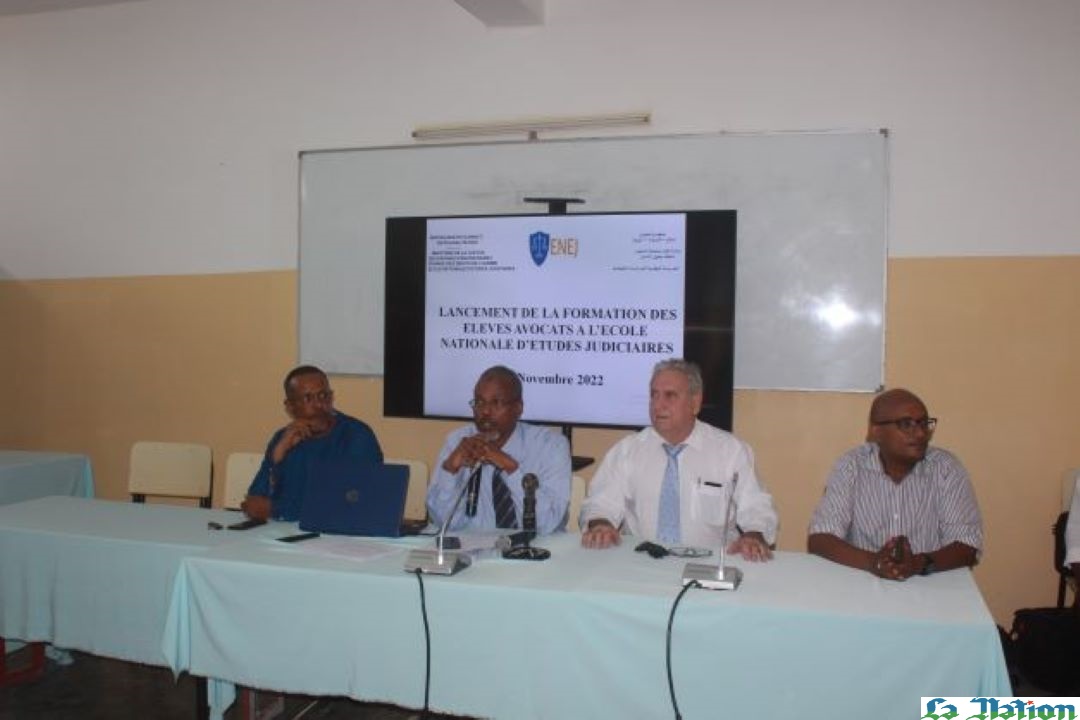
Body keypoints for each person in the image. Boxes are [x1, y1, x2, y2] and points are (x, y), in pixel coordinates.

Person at [580, 359, 777, 560]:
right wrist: (600, 524)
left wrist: (754, 535)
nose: (658, 405)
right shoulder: (626, 451)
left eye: (670, 396)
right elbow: (600, 504)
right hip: (641, 563)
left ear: (695, 402)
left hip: (709, 564)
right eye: (654, 395)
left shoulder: (731, 451)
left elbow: (757, 507)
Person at [808, 388, 982, 580]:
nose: (920, 433)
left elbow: (967, 545)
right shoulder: (851, 466)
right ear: (876, 431)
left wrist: (917, 564)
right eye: (906, 424)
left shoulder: (945, 468)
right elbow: (821, 538)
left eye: (924, 423)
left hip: (929, 584)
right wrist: (875, 563)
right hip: (863, 582)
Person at [427, 365, 571, 534]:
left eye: (496, 402)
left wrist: (510, 467)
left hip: (536, 551)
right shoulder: (459, 442)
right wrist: (450, 468)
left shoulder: (551, 446)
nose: (485, 411)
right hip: (475, 550)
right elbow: (443, 522)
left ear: (518, 408)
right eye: (479, 402)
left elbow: (547, 524)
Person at [242, 365, 383, 521]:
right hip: (286, 534)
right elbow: (254, 503)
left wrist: (275, 508)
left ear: (331, 397)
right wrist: (276, 458)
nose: (319, 405)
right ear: (290, 407)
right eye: (308, 398)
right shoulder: (283, 438)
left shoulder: (356, 436)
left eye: (323, 396)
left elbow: (351, 503)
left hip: (339, 537)